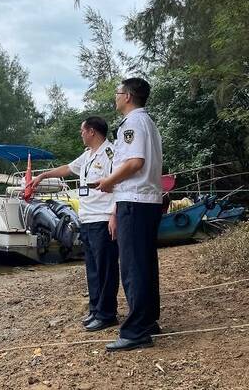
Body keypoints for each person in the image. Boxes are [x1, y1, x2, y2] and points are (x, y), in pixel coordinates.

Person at [32, 116, 118, 332]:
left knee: (105, 268)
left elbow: (122, 185)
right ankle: (95, 309)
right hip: (87, 218)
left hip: (103, 218)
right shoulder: (88, 155)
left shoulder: (111, 154)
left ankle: (108, 313)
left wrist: (114, 215)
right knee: (92, 268)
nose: (81, 134)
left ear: (92, 131)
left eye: (82, 130)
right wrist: (42, 176)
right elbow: (67, 169)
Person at [95, 77, 163, 352]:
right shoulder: (147, 122)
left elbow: (135, 162)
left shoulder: (133, 123)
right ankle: (147, 320)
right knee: (145, 263)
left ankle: (136, 331)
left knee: (134, 266)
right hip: (146, 200)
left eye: (117, 92)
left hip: (135, 200)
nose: (115, 97)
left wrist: (109, 181)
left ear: (128, 96)